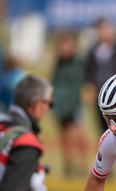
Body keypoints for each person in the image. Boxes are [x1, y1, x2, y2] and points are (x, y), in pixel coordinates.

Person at [50, 34, 88, 176]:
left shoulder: (79, 64)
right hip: (60, 107)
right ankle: (69, 167)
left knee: (79, 138)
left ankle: (82, 167)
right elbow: (54, 85)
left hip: (75, 107)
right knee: (64, 139)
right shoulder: (58, 65)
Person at [83, 18, 116, 133]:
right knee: (103, 126)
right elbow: (88, 71)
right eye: (99, 29)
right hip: (100, 93)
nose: (102, 32)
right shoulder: (93, 51)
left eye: (105, 29)